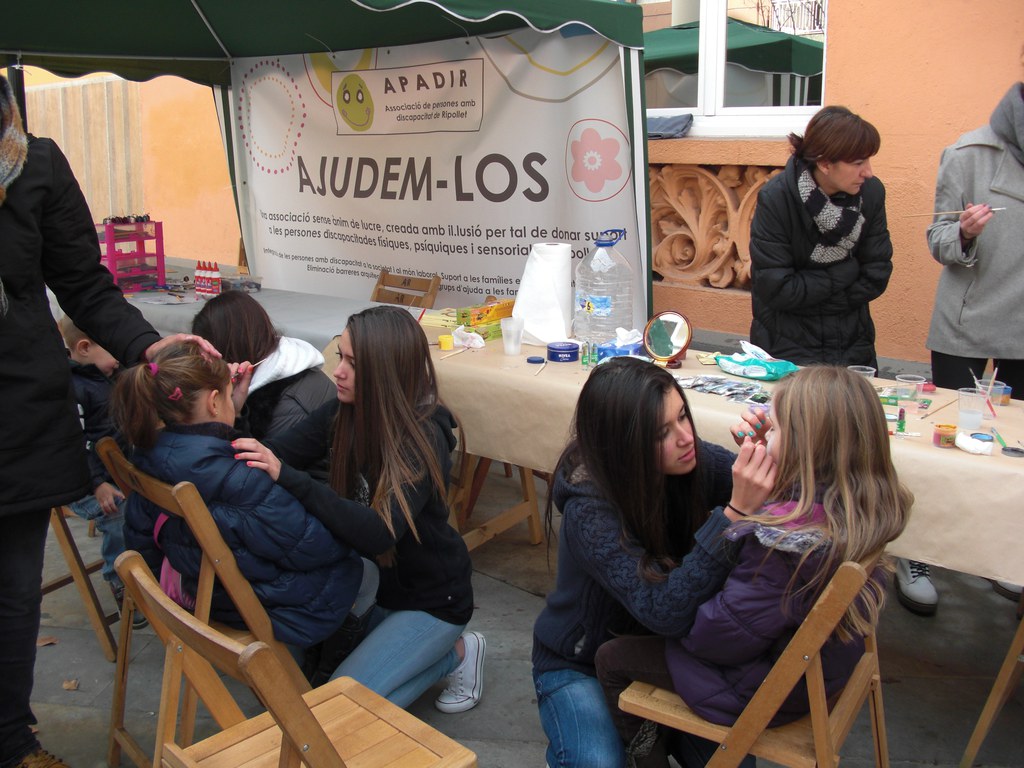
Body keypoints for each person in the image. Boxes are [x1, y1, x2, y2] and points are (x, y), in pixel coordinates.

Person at [0, 73, 213, 768]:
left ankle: (11, 742)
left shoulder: (32, 163)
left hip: (15, 416)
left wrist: (149, 346)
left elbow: (85, 285)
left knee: (12, 594)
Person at [595, 366, 913, 767]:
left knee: (613, 658)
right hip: (819, 673)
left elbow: (714, 638)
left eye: (774, 429)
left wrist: (731, 525)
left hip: (761, 688)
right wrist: (776, 464)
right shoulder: (855, 507)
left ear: (803, 447)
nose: (765, 434)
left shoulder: (782, 548)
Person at [231, 305, 483, 711]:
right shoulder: (343, 411)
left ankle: (458, 654)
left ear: (385, 371)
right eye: (340, 357)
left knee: (339, 711)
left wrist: (291, 477)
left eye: (353, 363)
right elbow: (270, 457)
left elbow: (378, 532)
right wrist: (236, 411)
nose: (338, 372)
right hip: (374, 591)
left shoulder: (423, 436)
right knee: (315, 691)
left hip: (432, 601)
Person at [531, 357, 777, 768]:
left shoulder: (690, 459)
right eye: (662, 432)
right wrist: (733, 516)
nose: (686, 437)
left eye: (683, 416)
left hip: (665, 654)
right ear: (623, 445)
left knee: (729, 758)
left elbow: (785, 499)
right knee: (597, 763)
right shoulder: (588, 509)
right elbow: (662, 609)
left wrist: (768, 454)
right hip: (580, 663)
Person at [114, 340, 372, 649]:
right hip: (250, 605)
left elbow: (140, 537)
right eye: (227, 394)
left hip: (196, 591)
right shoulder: (239, 477)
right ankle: (324, 659)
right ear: (213, 402)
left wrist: (233, 412)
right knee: (360, 567)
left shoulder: (151, 455)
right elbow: (315, 547)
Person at [924, 77, 1024, 607]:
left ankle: (1007, 554)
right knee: (947, 441)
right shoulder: (969, 153)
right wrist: (963, 233)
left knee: (1015, 450)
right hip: (967, 321)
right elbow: (937, 239)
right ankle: (922, 550)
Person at [749, 105, 893, 369]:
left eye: (868, 161)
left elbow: (877, 274)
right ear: (825, 163)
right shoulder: (777, 198)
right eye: (858, 163)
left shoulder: (871, 193)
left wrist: (815, 293)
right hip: (787, 349)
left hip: (852, 346)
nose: (868, 172)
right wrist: (846, 272)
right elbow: (776, 288)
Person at [58, 317, 147, 629]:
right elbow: (74, 445)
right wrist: (98, 484)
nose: (119, 358)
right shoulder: (73, 389)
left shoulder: (107, 374)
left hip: (117, 470)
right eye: (113, 350)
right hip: (84, 483)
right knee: (119, 513)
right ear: (85, 348)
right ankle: (120, 579)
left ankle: (151, 570)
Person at [191, 290, 335, 440]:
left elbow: (257, 454)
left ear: (226, 350)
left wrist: (227, 415)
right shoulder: (274, 363)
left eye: (208, 354)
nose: (205, 364)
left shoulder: (288, 404)